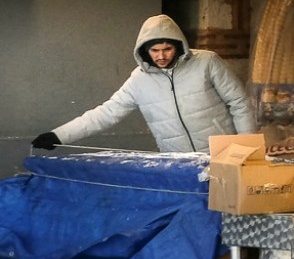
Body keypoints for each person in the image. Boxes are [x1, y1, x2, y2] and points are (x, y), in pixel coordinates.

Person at [36, 14, 256, 154]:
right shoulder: (138, 80)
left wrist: (247, 151)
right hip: (177, 162)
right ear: (144, 51)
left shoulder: (207, 62)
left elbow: (239, 103)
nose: (161, 56)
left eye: (167, 49)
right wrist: (59, 136)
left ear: (178, 46)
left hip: (223, 155)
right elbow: (105, 113)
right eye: (154, 50)